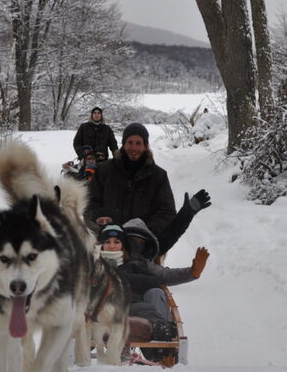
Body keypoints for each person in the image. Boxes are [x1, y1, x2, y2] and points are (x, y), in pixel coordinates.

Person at [88, 122, 212, 256]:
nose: (133, 148)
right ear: (123, 144)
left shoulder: (158, 176)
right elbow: (90, 203)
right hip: (107, 241)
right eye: (130, 142)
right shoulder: (105, 170)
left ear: (146, 146)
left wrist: (141, 231)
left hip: (141, 243)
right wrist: (104, 226)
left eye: (138, 143)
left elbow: (166, 212)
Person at [96, 221, 209, 325]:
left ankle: (160, 330)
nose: (112, 246)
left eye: (141, 242)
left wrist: (192, 272)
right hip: (101, 308)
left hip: (134, 306)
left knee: (155, 293)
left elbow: (162, 276)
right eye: (132, 240)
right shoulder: (93, 263)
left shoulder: (140, 264)